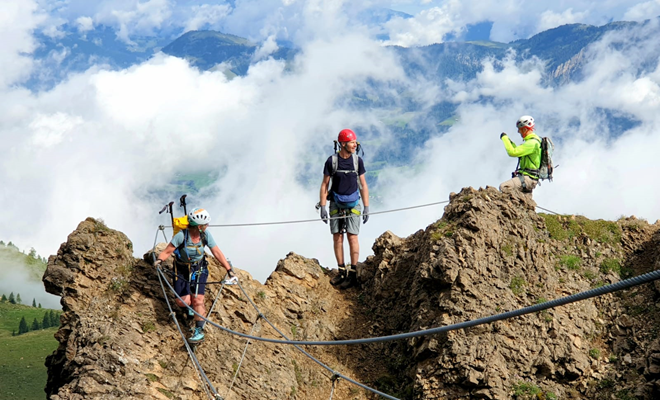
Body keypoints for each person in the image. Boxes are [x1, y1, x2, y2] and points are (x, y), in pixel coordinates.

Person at [153, 207, 236, 343]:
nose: (207, 226)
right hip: (181, 268)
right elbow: (168, 251)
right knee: (182, 301)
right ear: (199, 226)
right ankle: (190, 307)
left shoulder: (205, 235)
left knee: (197, 300)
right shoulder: (181, 236)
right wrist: (159, 260)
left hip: (199, 268)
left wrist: (228, 269)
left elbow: (216, 252)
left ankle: (199, 330)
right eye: (205, 224)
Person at [319, 128, 369, 289]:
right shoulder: (332, 161)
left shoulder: (357, 161)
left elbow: (363, 185)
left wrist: (366, 207)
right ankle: (342, 271)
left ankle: (352, 273)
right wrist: (323, 206)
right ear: (343, 144)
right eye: (352, 142)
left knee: (352, 237)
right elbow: (325, 184)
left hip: (353, 203)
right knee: (337, 237)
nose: (355, 145)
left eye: (355, 142)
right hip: (336, 202)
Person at [499, 115, 543, 197]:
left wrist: (504, 138)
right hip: (530, 178)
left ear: (525, 129)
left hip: (527, 178)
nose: (518, 132)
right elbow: (517, 150)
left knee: (504, 187)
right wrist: (509, 141)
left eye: (519, 129)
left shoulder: (532, 143)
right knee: (525, 201)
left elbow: (512, 152)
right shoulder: (532, 142)